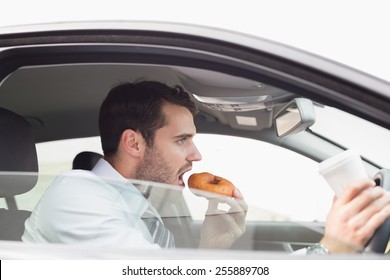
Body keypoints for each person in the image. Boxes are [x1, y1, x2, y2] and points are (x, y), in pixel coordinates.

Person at [22, 80, 390, 254]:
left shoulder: (132, 202)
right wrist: (328, 251)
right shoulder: (78, 197)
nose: (196, 156)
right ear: (134, 143)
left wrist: (209, 247)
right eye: (182, 140)